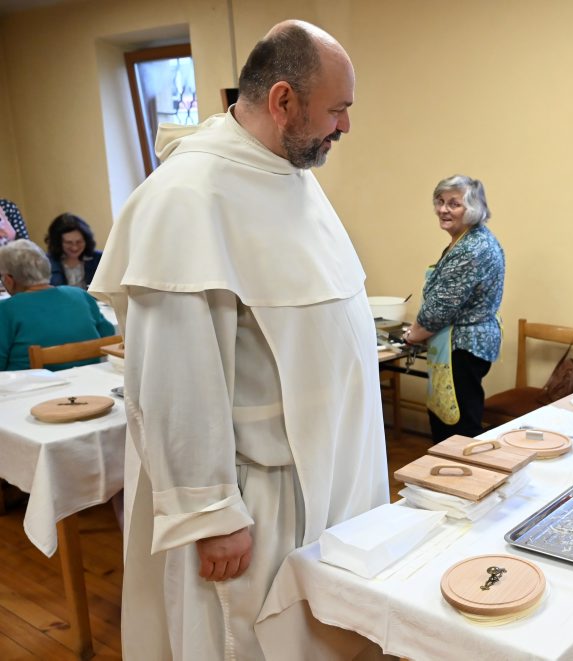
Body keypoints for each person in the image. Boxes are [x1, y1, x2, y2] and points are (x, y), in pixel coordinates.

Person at [89, 20, 388, 660]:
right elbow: (174, 381)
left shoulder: (289, 175)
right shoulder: (186, 198)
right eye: (337, 110)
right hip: (260, 500)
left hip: (328, 477)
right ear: (283, 101)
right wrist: (211, 516)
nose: (345, 127)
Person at [403, 175, 505, 442]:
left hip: (463, 346)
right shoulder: (470, 239)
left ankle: (461, 478)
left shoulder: (471, 248)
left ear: (472, 209)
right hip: (463, 343)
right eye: (440, 202)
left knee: (458, 428)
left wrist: (413, 335)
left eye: (453, 204)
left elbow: (440, 307)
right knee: (458, 419)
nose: (443, 209)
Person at [0, 239, 116, 370]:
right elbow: (108, 333)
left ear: (9, 280)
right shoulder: (80, 295)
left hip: (30, 387)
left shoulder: (5, 310)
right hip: (87, 381)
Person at [45, 213, 103, 288]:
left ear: (86, 240)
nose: (74, 247)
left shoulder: (100, 258)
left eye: (79, 242)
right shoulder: (46, 262)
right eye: (68, 243)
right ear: (58, 242)